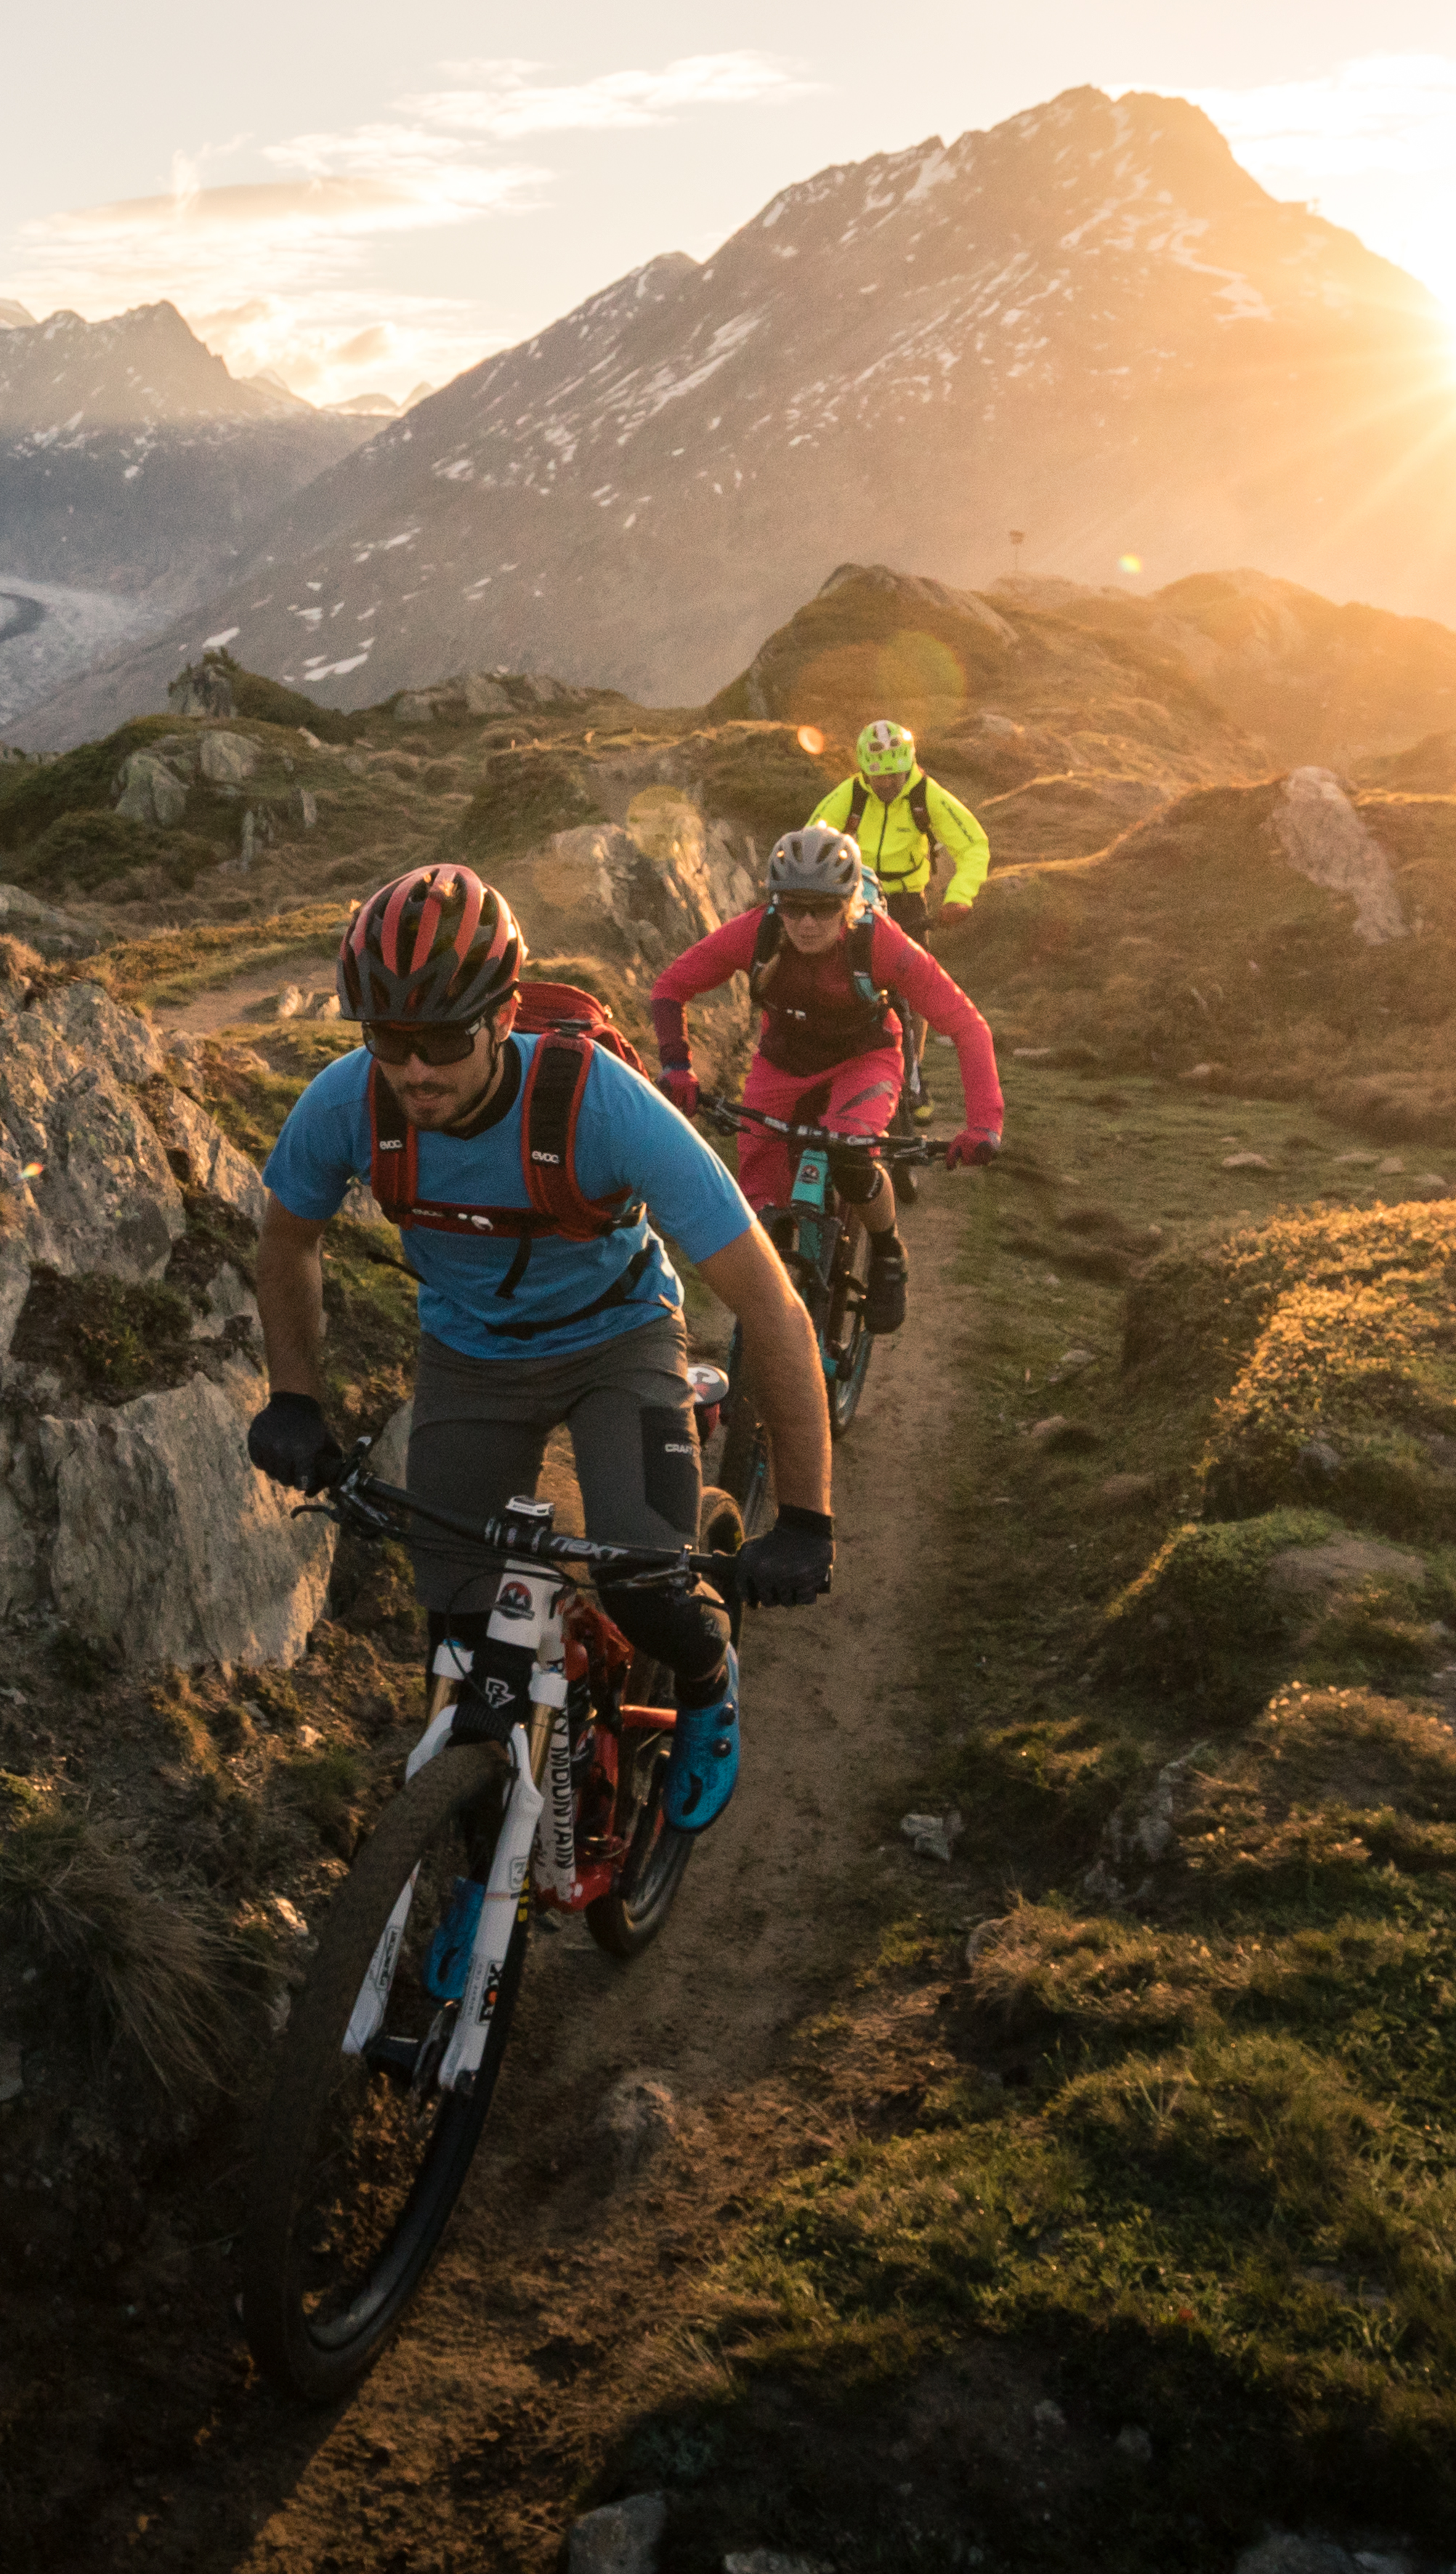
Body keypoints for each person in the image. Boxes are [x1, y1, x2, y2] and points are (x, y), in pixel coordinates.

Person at [246, 862, 839, 1834]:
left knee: (646, 1581)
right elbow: (287, 1241)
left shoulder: (603, 1107)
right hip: (470, 1358)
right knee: (458, 1628)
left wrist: (810, 1516)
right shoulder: (347, 1103)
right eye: (390, 1038)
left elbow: (771, 1305)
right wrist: (297, 1397)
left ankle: (704, 1675)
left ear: (503, 1015)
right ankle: (476, 1847)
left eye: (441, 1037)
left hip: (620, 1342)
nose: (414, 1068)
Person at [647, 825, 1004, 1341]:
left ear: (849, 902)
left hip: (864, 1057)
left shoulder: (879, 941)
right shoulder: (756, 933)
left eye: (824, 907)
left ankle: (887, 1251)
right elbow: (671, 987)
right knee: (759, 1203)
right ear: (776, 903)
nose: (808, 923)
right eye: (793, 907)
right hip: (783, 1061)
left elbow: (966, 1025)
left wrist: (984, 1124)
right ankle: (769, 1316)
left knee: (852, 1150)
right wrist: (676, 1066)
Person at [806, 718, 990, 939]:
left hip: (908, 903)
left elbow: (973, 846)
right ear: (865, 772)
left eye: (894, 775)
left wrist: (960, 896)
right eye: (878, 776)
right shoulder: (850, 795)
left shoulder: (927, 795)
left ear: (909, 766)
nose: (886, 784)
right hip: (855, 897)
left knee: (913, 973)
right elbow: (808, 843)